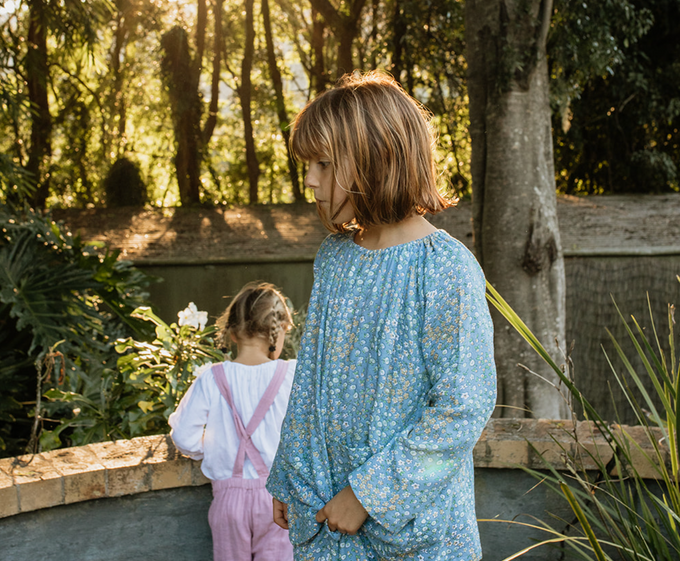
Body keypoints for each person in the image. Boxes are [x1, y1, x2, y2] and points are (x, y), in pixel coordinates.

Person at [266, 71, 497, 561]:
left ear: (379, 158)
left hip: (414, 538)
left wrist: (368, 496)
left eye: (325, 164)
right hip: (326, 523)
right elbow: (312, 381)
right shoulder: (334, 257)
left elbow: (463, 406)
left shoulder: (445, 268)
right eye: (307, 164)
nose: (309, 180)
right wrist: (289, 474)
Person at [169, 282, 296, 561]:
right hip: (279, 499)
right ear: (279, 329)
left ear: (232, 332)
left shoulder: (212, 378)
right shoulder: (291, 375)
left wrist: (216, 448)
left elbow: (183, 437)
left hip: (228, 502)